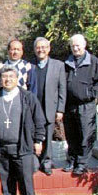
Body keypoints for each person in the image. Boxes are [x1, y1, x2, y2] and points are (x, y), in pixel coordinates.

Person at [0, 65, 46, 195]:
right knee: (6, 177)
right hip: (2, 146)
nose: (7, 80)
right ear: (0, 79)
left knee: (25, 177)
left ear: (16, 78)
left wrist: (38, 140)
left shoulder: (27, 97)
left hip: (22, 146)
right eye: (4, 77)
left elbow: (39, 120)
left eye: (11, 77)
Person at [63, 34, 98, 175]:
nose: (75, 48)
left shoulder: (94, 62)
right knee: (71, 135)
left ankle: (82, 163)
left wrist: (91, 94)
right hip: (70, 105)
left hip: (86, 105)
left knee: (85, 135)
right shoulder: (67, 63)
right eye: (73, 46)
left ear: (84, 45)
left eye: (78, 45)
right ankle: (72, 161)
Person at [31, 37, 66, 175]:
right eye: (38, 47)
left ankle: (46, 161)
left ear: (49, 48)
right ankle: (35, 160)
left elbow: (62, 88)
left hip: (50, 107)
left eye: (43, 47)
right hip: (34, 107)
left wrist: (60, 109)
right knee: (34, 135)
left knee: (48, 134)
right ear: (34, 49)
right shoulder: (30, 65)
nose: (41, 50)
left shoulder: (58, 65)